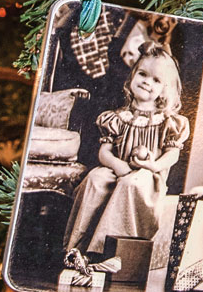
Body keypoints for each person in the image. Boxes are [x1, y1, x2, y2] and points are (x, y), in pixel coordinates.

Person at [63, 43, 188, 256]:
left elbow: (172, 154)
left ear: (164, 89)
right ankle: (75, 249)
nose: (147, 82)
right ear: (132, 77)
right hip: (118, 170)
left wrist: (152, 165)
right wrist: (118, 165)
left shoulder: (168, 122)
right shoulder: (117, 118)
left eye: (156, 80)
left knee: (131, 183)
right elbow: (104, 152)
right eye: (142, 74)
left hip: (148, 176)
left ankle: (103, 251)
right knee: (96, 178)